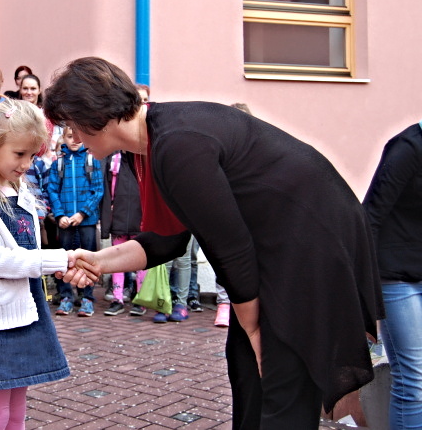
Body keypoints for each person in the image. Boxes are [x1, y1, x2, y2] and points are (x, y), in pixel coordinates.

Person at [46, 56, 383, 428]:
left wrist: (254, 331)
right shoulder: (154, 140)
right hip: (282, 251)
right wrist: (98, 261)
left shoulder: (176, 144)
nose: (71, 135)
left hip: (308, 249)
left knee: (278, 383)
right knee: (247, 371)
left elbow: (231, 249)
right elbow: (168, 239)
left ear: (95, 117)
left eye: (71, 124)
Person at [0, 99, 72, 428]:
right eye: (19, 154)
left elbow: (30, 249)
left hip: (27, 308)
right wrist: (58, 259)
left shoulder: (20, 189)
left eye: (32, 156)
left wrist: (58, 263)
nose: (26, 164)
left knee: (17, 410)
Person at [362, 123, 422, 428]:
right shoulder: (409, 147)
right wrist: (366, 289)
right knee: (414, 379)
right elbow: (370, 216)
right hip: (396, 277)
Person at [46, 126, 103, 317]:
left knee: (88, 260)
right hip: (65, 222)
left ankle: (87, 297)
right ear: (64, 138)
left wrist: (82, 213)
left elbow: (98, 190)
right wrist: (60, 215)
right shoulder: (58, 164)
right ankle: (66, 297)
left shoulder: (91, 160)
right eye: (70, 136)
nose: (75, 140)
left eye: (78, 136)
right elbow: (52, 190)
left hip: (86, 221)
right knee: (64, 260)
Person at [100, 151, 147, 317]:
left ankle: (141, 298)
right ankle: (117, 299)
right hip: (118, 219)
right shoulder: (114, 159)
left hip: (139, 219)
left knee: (142, 261)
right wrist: (107, 222)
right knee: (117, 261)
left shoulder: (143, 161)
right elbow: (106, 192)